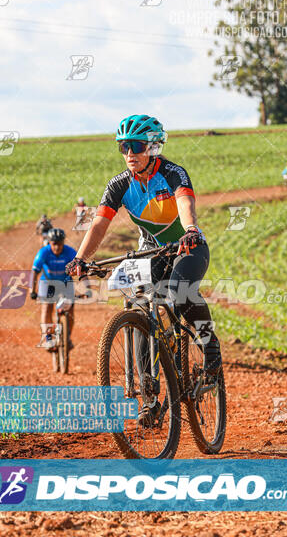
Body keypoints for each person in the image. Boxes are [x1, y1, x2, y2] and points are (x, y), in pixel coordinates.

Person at [65, 114, 222, 426]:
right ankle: (149, 396)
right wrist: (81, 258)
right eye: (123, 146)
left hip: (187, 247)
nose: (129, 153)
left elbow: (185, 203)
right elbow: (99, 223)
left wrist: (190, 229)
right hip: (150, 252)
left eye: (135, 145)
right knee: (139, 310)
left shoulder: (173, 172)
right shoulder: (119, 185)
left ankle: (210, 344)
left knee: (180, 292)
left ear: (152, 146)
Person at [30, 228, 77, 351]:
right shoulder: (43, 252)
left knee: (70, 311)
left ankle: (67, 338)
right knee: (47, 308)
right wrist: (32, 290)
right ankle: (48, 338)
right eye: (54, 244)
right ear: (50, 243)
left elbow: (81, 269)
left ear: (63, 242)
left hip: (66, 283)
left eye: (60, 244)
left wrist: (87, 288)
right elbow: (35, 272)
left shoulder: (70, 252)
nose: (57, 247)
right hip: (48, 283)